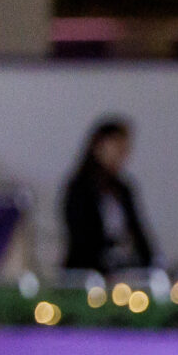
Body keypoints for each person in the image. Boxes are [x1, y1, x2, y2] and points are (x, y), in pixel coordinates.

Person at [61, 116, 155, 273]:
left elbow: (138, 232)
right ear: (99, 146)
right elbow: (81, 238)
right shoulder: (79, 189)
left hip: (124, 269)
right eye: (116, 147)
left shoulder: (123, 189)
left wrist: (151, 264)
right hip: (86, 271)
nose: (122, 154)